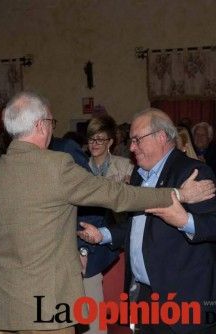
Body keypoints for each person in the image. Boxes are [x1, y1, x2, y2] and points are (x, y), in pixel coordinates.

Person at [0, 92, 216, 333]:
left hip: (1, 306)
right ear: (40, 125)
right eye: (51, 123)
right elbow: (118, 196)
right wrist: (178, 194)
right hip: (46, 307)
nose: (51, 130)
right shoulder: (56, 166)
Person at [79, 108, 216, 333]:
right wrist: (103, 235)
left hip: (184, 302)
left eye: (136, 140)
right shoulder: (139, 174)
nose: (131, 148)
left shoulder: (192, 172)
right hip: (147, 297)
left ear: (161, 137)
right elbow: (138, 225)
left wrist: (185, 220)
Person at [79, 115, 134, 334]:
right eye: (91, 139)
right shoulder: (79, 168)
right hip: (87, 239)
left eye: (100, 139)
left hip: (117, 238)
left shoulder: (126, 167)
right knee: (90, 305)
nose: (94, 144)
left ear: (111, 142)